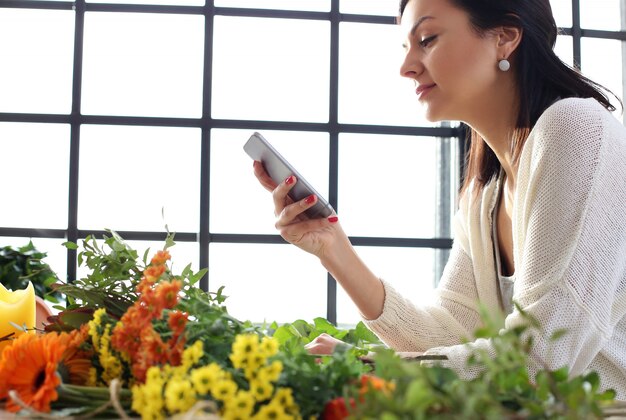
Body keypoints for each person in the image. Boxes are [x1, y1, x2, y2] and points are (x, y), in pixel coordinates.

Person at [252, 0, 626, 400]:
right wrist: (333, 248)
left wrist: (382, 370)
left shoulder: (577, 129)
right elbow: (452, 331)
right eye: (406, 48)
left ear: (505, 37)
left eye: (427, 39)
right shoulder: (484, 194)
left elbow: (544, 355)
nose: (406, 66)